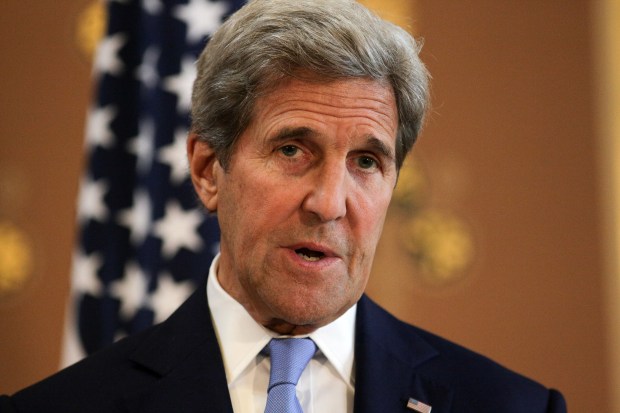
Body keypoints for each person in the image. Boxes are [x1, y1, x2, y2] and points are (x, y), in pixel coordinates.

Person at [1, 0, 566, 412]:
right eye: (293, 149)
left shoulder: (509, 406)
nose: (329, 204)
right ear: (207, 170)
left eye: (367, 162)